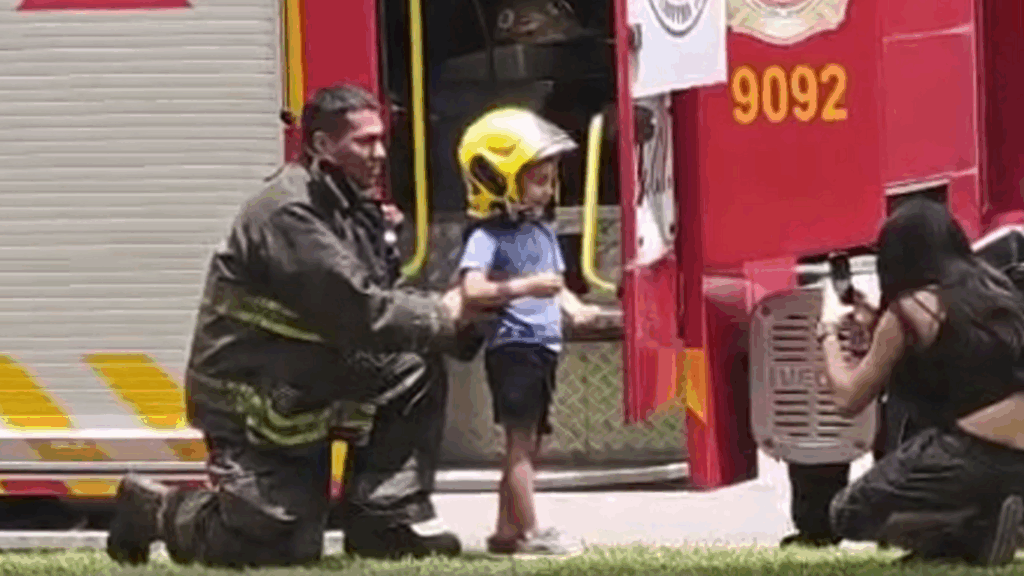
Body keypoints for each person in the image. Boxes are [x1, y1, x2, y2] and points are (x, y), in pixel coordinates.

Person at [105, 84, 490, 568]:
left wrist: (469, 320)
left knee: (412, 363)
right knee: (274, 545)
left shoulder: (350, 205)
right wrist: (445, 312)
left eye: (380, 140)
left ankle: (384, 520)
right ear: (323, 146)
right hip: (253, 398)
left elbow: (381, 300)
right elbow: (360, 312)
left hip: (308, 382)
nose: (379, 154)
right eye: (364, 142)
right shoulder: (289, 212)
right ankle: (155, 510)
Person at [819, 197, 1024, 566]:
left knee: (846, 513)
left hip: (972, 453)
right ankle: (987, 525)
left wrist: (829, 331)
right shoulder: (995, 287)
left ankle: (973, 531)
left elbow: (848, 398)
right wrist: (875, 324)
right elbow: (961, 358)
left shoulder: (911, 308)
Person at [454, 107, 604, 555]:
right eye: (538, 179)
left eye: (551, 178)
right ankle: (535, 533)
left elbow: (556, 286)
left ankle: (506, 532)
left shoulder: (541, 232)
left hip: (543, 348)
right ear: (497, 179)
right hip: (513, 348)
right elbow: (473, 288)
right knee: (519, 443)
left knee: (530, 442)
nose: (549, 188)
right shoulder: (487, 236)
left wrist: (576, 309)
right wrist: (526, 286)